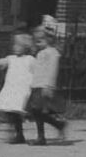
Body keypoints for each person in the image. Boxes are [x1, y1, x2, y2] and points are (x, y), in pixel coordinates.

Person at [0, 33, 40, 144]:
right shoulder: (11, 59)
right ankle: (18, 134)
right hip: (10, 89)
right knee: (10, 111)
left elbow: (37, 72)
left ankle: (24, 133)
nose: (15, 47)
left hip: (22, 89)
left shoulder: (30, 59)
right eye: (15, 45)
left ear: (26, 47)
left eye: (19, 45)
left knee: (18, 110)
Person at [28, 14, 71, 143]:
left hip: (44, 86)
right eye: (37, 40)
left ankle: (42, 136)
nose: (38, 42)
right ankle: (57, 126)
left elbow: (52, 71)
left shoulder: (52, 53)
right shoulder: (41, 52)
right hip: (36, 85)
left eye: (41, 40)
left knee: (37, 111)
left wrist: (49, 86)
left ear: (49, 39)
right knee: (35, 111)